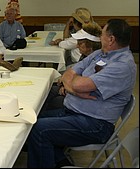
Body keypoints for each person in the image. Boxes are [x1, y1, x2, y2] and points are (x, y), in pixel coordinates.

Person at [27, 19, 137, 168]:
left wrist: (75, 83)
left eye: (103, 34)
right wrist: (75, 90)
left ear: (111, 40)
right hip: (75, 112)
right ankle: (60, 162)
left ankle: (54, 161)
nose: (100, 38)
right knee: (30, 122)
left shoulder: (122, 66)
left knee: (39, 130)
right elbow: (69, 73)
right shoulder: (101, 54)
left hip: (96, 124)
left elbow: (77, 82)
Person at [40, 22, 102, 112]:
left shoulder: (97, 64)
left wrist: (67, 88)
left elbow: (85, 86)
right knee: (47, 91)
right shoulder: (86, 56)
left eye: (80, 43)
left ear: (90, 46)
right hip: (72, 88)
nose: (77, 45)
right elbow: (74, 72)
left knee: (53, 101)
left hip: (81, 100)